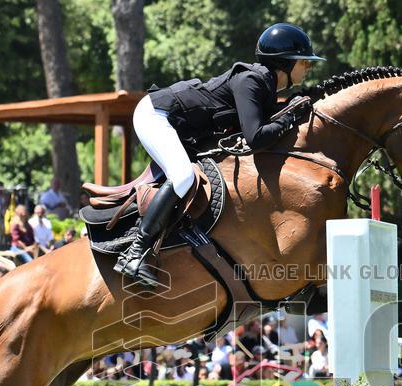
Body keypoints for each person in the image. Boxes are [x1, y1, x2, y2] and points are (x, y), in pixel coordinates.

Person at [115, 23, 324, 287]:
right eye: (305, 62)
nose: (309, 67)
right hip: (157, 115)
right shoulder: (252, 80)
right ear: (285, 62)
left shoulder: (266, 86)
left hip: (179, 125)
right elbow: (256, 137)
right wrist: (290, 116)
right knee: (183, 176)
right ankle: (135, 252)